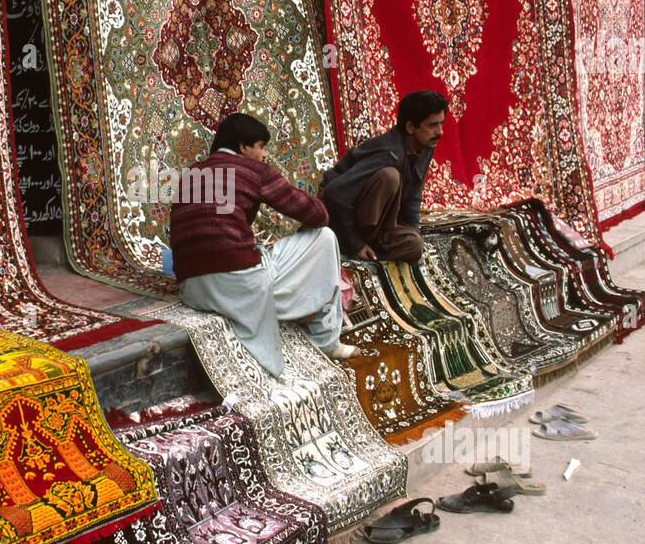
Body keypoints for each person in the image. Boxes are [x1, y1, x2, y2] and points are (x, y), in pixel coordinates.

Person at [169, 112, 355, 378]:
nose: (264, 155)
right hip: (240, 286)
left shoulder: (190, 174)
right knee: (325, 237)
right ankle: (327, 342)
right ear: (244, 146)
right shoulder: (252, 170)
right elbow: (316, 215)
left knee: (255, 253)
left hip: (192, 290)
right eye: (261, 147)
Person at [321, 89, 447, 264]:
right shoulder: (388, 152)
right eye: (433, 125)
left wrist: (411, 232)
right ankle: (349, 247)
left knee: (414, 244)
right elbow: (335, 194)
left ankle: (372, 255)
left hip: (378, 226)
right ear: (410, 127)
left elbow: (413, 197)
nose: (440, 132)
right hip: (339, 218)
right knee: (390, 177)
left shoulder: (426, 147)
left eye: (441, 124)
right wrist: (355, 243)